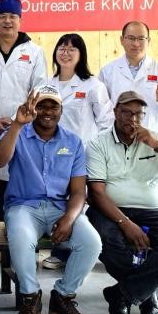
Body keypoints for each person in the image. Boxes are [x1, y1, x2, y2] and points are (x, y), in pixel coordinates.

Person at [0, 85, 101, 314]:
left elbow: (78, 191)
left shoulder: (73, 142)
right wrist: (17, 125)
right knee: (21, 238)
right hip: (23, 206)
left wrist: (69, 218)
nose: (48, 111)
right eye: (42, 105)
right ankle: (31, 297)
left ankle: (62, 297)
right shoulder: (17, 132)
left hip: (60, 208)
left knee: (91, 242)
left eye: (54, 106)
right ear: (33, 107)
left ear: (61, 110)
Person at [86, 91, 158, 314]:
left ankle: (122, 294)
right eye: (127, 113)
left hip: (153, 210)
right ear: (115, 112)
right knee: (104, 240)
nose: (133, 119)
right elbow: (97, 193)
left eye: (139, 114)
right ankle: (148, 293)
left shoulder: (156, 140)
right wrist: (126, 223)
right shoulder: (98, 143)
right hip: (110, 209)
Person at [0, 0, 47, 267]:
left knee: (20, 182)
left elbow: (39, 89)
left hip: (23, 129)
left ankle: (23, 244)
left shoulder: (34, 52)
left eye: (12, 16)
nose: (7, 21)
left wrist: (18, 121)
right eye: (2, 16)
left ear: (20, 20)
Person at [42, 33, 114, 270]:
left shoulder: (93, 86)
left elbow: (106, 122)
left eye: (72, 49)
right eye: (61, 48)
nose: (66, 53)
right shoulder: (46, 85)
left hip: (81, 154)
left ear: (81, 55)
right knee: (56, 200)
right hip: (50, 154)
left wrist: (99, 152)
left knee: (79, 202)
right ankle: (59, 249)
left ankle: (75, 253)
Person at [98, 21, 158, 136]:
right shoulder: (107, 72)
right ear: (122, 40)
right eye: (131, 38)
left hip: (151, 137)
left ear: (148, 41)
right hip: (119, 137)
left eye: (141, 38)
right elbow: (101, 109)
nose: (136, 44)